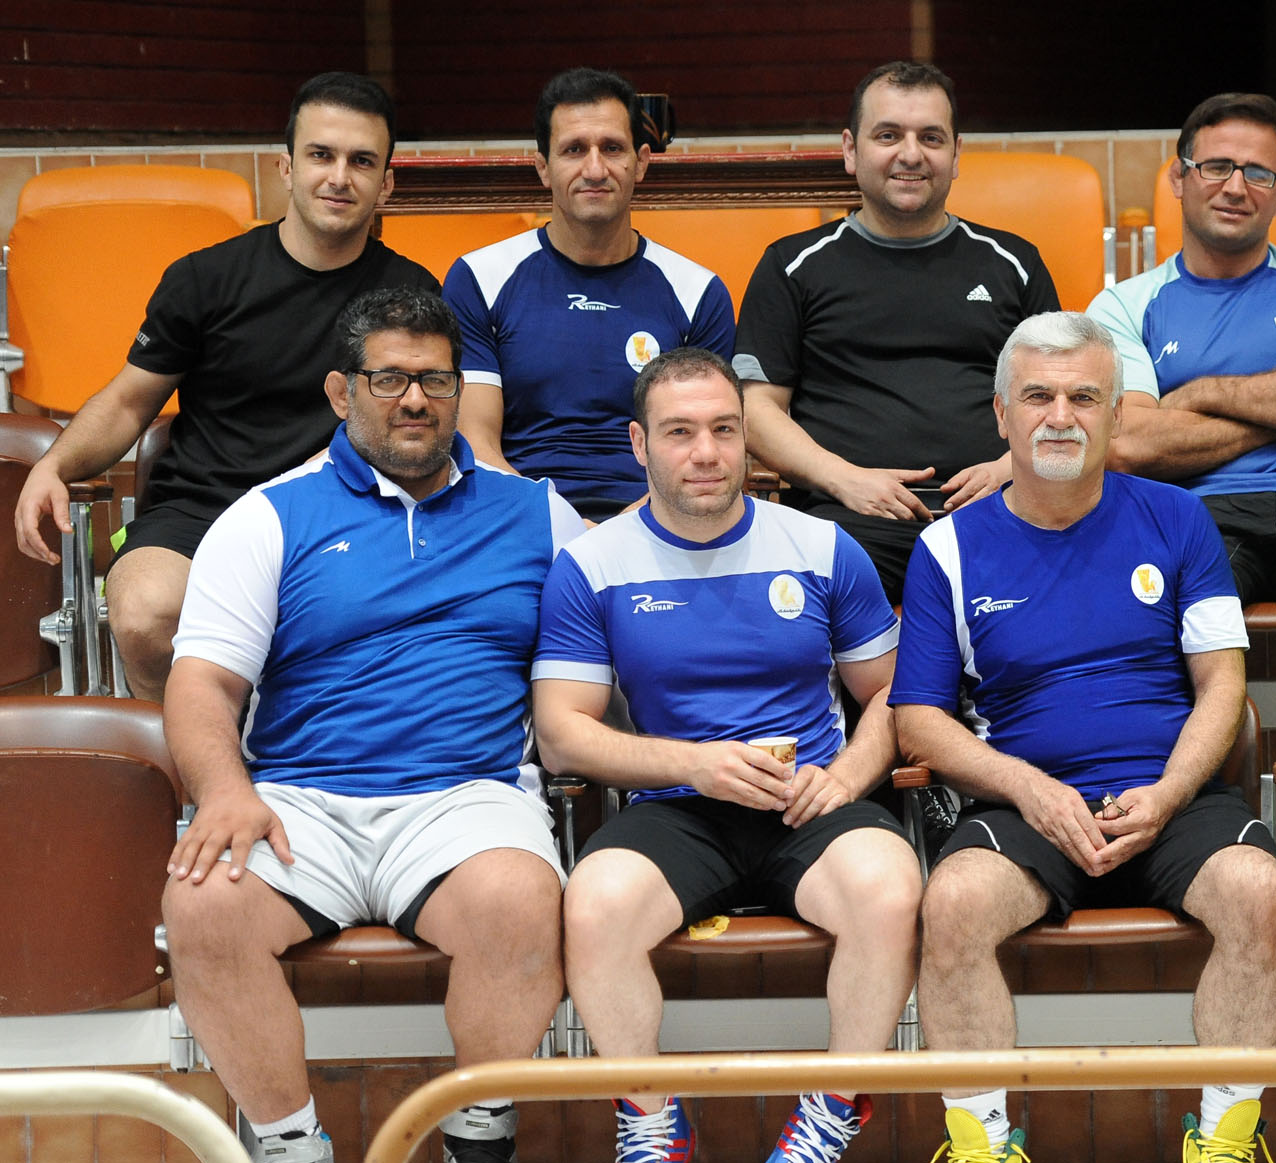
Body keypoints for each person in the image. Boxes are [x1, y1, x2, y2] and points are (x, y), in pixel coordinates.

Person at [160, 288, 584, 1163]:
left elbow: (608, 658)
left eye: (436, 379)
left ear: (462, 389)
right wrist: (227, 792)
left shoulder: (541, 515)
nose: (415, 399)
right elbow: (203, 684)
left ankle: (481, 1151)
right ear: (341, 392)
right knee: (202, 908)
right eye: (389, 379)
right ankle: (292, 1155)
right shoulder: (268, 515)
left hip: (467, 795)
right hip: (300, 800)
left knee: (519, 899)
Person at [891, 312, 1276, 1163]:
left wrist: (1170, 793)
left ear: (1114, 416)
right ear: (1002, 414)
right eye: (1038, 396)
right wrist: (1029, 790)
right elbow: (917, 718)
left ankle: (1224, 1145)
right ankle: (981, 1152)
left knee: (1258, 890)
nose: (1060, 416)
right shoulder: (947, 548)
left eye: (1084, 397)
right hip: (1026, 806)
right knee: (952, 904)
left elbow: (1223, 684)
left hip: (1171, 799)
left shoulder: (1180, 518)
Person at [534, 347, 920, 1163]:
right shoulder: (593, 564)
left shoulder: (821, 546)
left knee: (891, 888)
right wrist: (694, 765)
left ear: (749, 440)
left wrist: (848, 774)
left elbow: (896, 692)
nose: (706, 452)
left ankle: (831, 1112)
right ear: (640, 444)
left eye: (724, 430)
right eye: (680, 433)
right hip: (678, 806)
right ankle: (650, 1126)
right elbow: (561, 733)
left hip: (807, 799)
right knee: (593, 907)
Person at [11, 71, 437, 702]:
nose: (339, 177)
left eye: (361, 161)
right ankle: (199, 756)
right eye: (320, 155)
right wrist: (54, 465)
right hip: (205, 510)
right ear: (286, 168)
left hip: (348, 510)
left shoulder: (412, 294)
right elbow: (129, 401)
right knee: (144, 610)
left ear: (386, 183)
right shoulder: (205, 279)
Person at [734, 60, 1060, 603]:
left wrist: (1010, 470)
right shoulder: (792, 266)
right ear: (850, 150)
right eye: (888, 135)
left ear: (956, 154)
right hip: (846, 522)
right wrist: (844, 479)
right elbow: (756, 410)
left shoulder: (1014, 263)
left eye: (930, 137)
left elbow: (1059, 397)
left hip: (997, 513)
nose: (911, 154)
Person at [1088, 92, 1276, 605]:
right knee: (1161, 621)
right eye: (1216, 167)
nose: (1235, 187)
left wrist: (1199, 394)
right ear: (1179, 177)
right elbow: (1129, 445)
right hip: (1195, 511)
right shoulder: (1123, 306)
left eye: (1258, 174)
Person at [444, 67, 735, 520]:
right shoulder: (478, 278)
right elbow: (476, 444)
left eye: (612, 148)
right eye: (574, 149)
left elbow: (706, 445)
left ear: (641, 162)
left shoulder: (699, 291)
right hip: (517, 520)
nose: (595, 169)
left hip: (663, 522)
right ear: (543, 167)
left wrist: (623, 534)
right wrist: (563, 527)